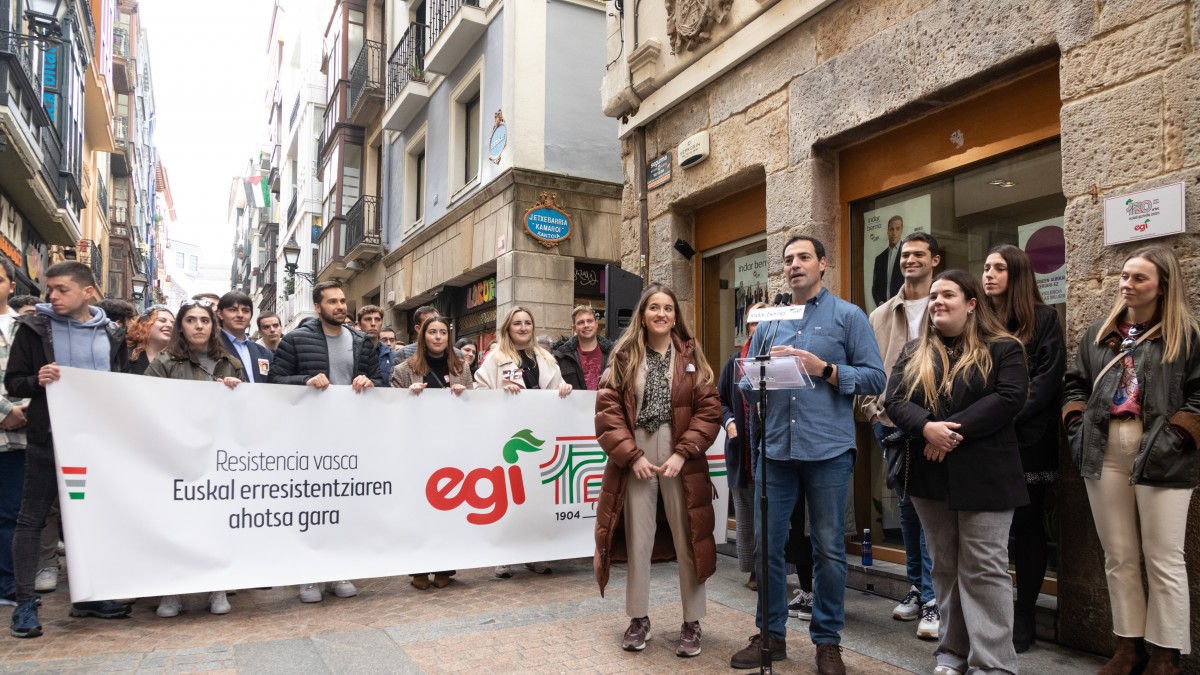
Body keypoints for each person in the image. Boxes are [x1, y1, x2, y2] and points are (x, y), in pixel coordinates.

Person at [729, 236, 885, 674]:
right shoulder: (771, 321)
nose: (794, 265)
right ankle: (771, 636)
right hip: (776, 449)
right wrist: (758, 375)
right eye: (788, 260)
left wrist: (825, 370)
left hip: (828, 449)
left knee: (829, 548)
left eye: (803, 258)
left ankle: (827, 642)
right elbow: (746, 384)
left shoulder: (849, 316)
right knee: (766, 547)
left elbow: (876, 378)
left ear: (823, 264)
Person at [1062, 246, 1200, 675]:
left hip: (1163, 449)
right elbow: (1074, 385)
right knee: (1118, 555)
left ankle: (1165, 655)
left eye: (1139, 278)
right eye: (1124, 276)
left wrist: (1176, 435)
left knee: (1164, 556)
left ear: (1162, 285)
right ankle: (1128, 648)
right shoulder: (1100, 333)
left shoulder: (1186, 335)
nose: (1127, 284)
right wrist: (1077, 426)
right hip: (1104, 446)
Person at [884, 269, 1029, 675]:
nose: (937, 302)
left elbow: (1010, 397)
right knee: (945, 566)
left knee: (984, 568)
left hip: (987, 477)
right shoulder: (914, 351)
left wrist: (947, 433)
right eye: (932, 296)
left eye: (947, 295)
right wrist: (926, 426)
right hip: (931, 479)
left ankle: (994, 664)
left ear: (971, 303)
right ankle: (952, 654)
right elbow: (893, 400)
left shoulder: (1004, 348)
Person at [593, 283, 720, 657]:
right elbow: (608, 412)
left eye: (668, 308)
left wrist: (684, 453)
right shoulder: (624, 354)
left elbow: (709, 410)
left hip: (680, 453)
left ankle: (692, 622)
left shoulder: (691, 353)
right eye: (654, 308)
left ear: (675, 315)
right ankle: (638, 618)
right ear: (643, 315)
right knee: (639, 539)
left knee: (687, 538)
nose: (662, 314)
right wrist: (631, 456)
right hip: (636, 453)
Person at [7, 262, 132, 638]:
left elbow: (121, 385)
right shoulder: (33, 328)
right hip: (48, 439)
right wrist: (38, 379)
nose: (53, 297)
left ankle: (88, 597)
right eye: (50, 290)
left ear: (88, 291)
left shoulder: (112, 333)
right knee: (32, 518)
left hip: (95, 444)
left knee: (90, 518)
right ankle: (24, 604)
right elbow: (15, 381)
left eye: (62, 289)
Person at [268, 280, 383, 603]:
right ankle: (307, 576)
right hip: (309, 439)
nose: (340, 306)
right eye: (332, 301)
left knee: (342, 507)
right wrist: (304, 381)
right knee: (310, 508)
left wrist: (370, 381)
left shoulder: (361, 341)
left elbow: (383, 383)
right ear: (317, 308)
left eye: (343, 300)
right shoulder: (295, 340)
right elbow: (274, 381)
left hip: (349, 439)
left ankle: (338, 571)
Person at [982, 244, 1066, 653]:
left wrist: (999, 416)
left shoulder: (1044, 319)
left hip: (1027, 440)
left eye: (999, 268)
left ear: (1017, 275)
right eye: (986, 268)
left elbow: (1047, 383)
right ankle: (989, 610)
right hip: (984, 441)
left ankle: (1025, 612)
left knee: (1026, 529)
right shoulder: (978, 322)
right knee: (989, 531)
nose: (989, 275)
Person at [859, 231, 942, 638]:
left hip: (934, 424)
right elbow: (871, 370)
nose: (909, 260)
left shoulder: (944, 305)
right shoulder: (880, 314)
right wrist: (873, 412)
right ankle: (916, 588)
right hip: (890, 422)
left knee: (930, 510)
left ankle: (933, 597)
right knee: (907, 508)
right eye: (905, 255)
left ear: (935, 260)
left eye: (918, 254)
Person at [145, 298, 244, 617]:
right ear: (181, 326)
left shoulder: (230, 362)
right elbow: (146, 402)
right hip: (176, 454)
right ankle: (172, 592)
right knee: (176, 524)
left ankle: (217, 587)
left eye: (204, 320)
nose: (198, 325)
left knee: (215, 523)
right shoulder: (164, 362)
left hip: (218, 455)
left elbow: (246, 409)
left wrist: (234, 390)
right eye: (191, 320)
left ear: (213, 326)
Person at [474, 305, 571, 578]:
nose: (523, 328)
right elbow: (478, 391)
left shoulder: (545, 358)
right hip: (506, 439)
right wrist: (499, 392)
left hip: (539, 437)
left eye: (527, 323)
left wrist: (563, 388)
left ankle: (534, 554)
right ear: (508, 328)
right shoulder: (495, 358)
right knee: (508, 496)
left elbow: (557, 387)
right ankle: (503, 556)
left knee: (536, 498)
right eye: (517, 323)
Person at [391, 316, 472, 590]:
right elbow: (390, 408)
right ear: (422, 336)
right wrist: (407, 397)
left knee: (448, 509)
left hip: (451, 450)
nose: (438, 337)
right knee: (418, 511)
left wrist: (464, 394)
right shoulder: (404, 369)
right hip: (417, 451)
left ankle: (445, 568)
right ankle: (418, 568)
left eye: (442, 333)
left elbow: (474, 407)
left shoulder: (461, 368)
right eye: (432, 332)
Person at [717, 302, 767, 591]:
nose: (756, 326)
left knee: (770, 516)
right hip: (741, 449)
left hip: (771, 451)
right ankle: (752, 571)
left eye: (762, 320)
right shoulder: (735, 362)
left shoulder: (780, 358)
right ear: (747, 327)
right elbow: (719, 399)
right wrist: (729, 421)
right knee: (746, 515)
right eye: (752, 321)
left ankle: (771, 569)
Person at [0, 258, 29, 608]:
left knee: (12, 512)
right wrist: (5, 411)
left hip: (22, 434)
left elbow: (41, 372)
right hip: (10, 420)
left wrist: (25, 411)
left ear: (10, 285)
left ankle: (9, 581)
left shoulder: (27, 327)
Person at [552, 305, 614, 391]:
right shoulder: (561, 357)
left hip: (605, 404)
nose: (586, 325)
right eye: (581, 322)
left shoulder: (614, 354)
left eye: (589, 321)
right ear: (574, 328)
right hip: (574, 404)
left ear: (596, 324)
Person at [216, 292, 273, 384]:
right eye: (233, 310)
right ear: (220, 314)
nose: (240, 315)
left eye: (245, 311)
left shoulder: (263, 353)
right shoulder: (210, 346)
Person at [127, 307, 175, 376]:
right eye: (162, 320)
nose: (170, 325)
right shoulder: (126, 354)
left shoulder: (181, 358)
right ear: (144, 325)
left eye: (173, 322)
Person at [871, 216, 905, 306]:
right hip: (884, 309)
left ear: (902, 230)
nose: (894, 233)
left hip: (903, 307)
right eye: (891, 229)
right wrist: (880, 303)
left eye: (897, 229)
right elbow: (875, 287)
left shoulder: (908, 254)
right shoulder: (879, 259)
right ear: (887, 232)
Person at [356, 305, 392, 386]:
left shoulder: (392, 355)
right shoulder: (352, 352)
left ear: (382, 323)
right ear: (359, 324)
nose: (373, 324)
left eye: (377, 320)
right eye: (368, 319)